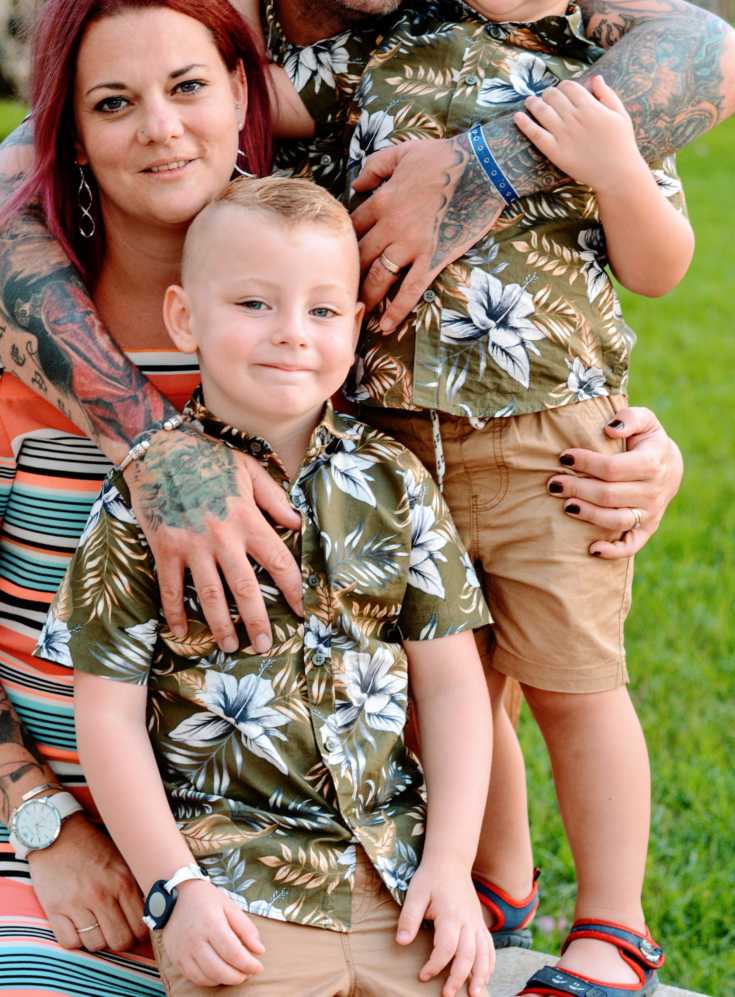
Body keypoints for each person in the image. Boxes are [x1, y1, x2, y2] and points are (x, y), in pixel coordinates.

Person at [0, 0, 735, 959]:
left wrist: (485, 167)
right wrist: (163, 453)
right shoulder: (168, 31)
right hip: (237, 597)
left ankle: (550, 900)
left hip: (451, 461)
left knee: (494, 660)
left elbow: (712, 54)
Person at [215, 0, 695, 995]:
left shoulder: (602, 78)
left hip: (550, 444)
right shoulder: (386, 41)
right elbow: (248, 87)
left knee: (577, 685)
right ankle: (494, 875)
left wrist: (612, 168)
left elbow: (660, 264)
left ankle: (616, 925)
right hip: (392, 438)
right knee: (448, 678)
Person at [0, 0, 275, 996]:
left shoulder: (310, 318)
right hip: (0, 777)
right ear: (69, 138)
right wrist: (45, 822)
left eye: (190, 86)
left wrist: (637, 451)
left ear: (242, 94)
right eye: (116, 102)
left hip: (241, 801)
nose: (161, 127)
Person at [37, 175, 496, 997]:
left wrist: (453, 866)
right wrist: (174, 889)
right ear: (186, 317)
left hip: (398, 881)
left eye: (322, 311)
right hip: (241, 893)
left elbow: (456, 687)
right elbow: (105, 716)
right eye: (254, 304)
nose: (291, 334)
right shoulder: (152, 505)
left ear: (354, 327)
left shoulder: (393, 481)